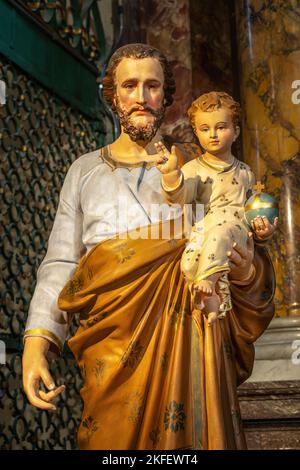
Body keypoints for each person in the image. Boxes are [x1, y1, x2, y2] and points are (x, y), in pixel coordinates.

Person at [22, 43, 275, 450]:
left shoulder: (204, 168)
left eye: (152, 85)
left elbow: (239, 243)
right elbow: (62, 262)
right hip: (112, 350)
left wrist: (245, 270)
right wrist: (37, 342)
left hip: (191, 344)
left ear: (167, 93)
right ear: (113, 94)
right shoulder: (85, 171)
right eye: (130, 85)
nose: (141, 97)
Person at [156, 91, 278, 325]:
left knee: (221, 235)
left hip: (233, 231)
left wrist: (263, 231)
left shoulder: (245, 172)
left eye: (221, 127)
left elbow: (254, 209)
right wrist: (172, 174)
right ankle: (213, 306)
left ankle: (209, 283)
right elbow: (179, 197)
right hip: (203, 233)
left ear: (236, 132)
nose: (212, 135)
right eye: (204, 129)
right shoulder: (193, 169)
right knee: (190, 264)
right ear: (196, 132)